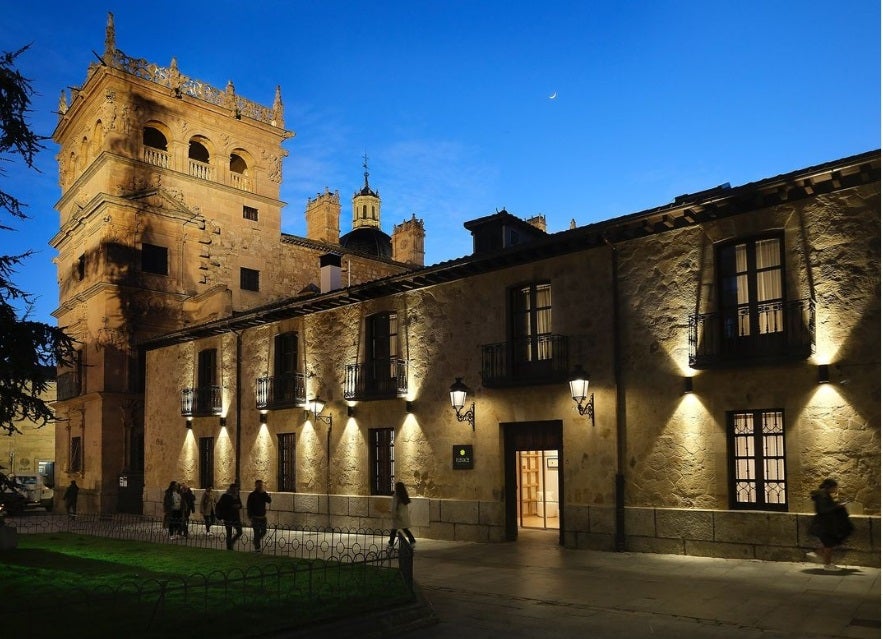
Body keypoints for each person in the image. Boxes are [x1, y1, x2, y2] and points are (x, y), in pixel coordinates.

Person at [807, 478, 854, 570]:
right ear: (830, 487)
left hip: (825, 523)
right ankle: (827, 564)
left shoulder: (824, 494)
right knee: (829, 544)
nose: (836, 490)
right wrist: (838, 506)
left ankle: (822, 557)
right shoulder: (822, 495)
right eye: (835, 487)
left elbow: (827, 507)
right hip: (824, 524)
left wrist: (837, 504)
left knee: (829, 544)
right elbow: (824, 509)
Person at [246, 479, 272, 553]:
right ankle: (257, 547)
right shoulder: (252, 495)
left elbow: (269, 500)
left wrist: (264, 493)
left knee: (263, 531)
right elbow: (249, 506)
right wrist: (250, 516)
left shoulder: (263, 494)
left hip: (262, 517)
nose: (260, 486)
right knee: (256, 532)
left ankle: (255, 541)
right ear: (256, 485)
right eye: (259, 485)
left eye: (261, 485)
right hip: (255, 517)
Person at [388, 481, 416, 548]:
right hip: (403, 516)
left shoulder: (396, 495)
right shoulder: (404, 495)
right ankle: (412, 541)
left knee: (394, 530)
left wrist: (393, 514)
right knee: (405, 529)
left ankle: (391, 543)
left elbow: (394, 506)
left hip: (398, 516)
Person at [216, 483, 243, 550]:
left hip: (236, 517)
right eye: (235, 489)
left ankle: (232, 541)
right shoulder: (225, 496)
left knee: (240, 532)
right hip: (228, 517)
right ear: (231, 489)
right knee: (229, 533)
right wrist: (232, 506)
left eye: (236, 489)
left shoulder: (236, 496)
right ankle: (229, 547)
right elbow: (222, 505)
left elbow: (240, 504)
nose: (236, 490)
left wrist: (238, 506)